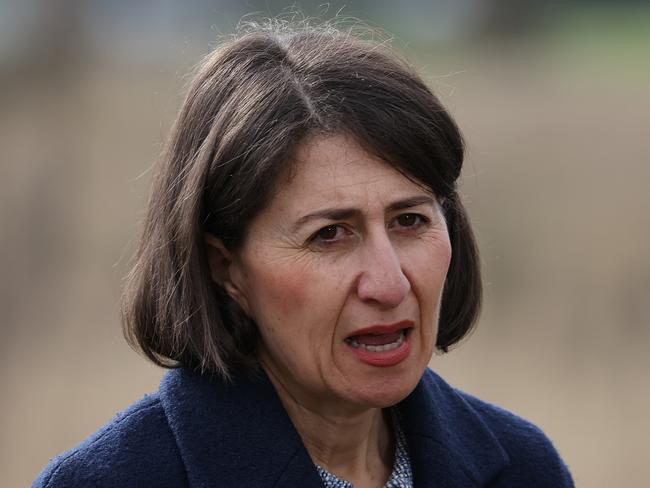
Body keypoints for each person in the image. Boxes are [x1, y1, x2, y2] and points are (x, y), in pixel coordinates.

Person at [33, 21, 573, 488]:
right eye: (330, 234)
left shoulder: (522, 467)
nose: (388, 284)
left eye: (410, 221)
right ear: (225, 267)